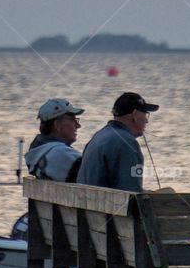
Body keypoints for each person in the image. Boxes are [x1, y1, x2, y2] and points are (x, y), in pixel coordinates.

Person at [9, 97, 84, 238]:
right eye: (74, 120)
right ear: (57, 124)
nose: (77, 126)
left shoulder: (37, 152)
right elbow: (96, 180)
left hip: (53, 222)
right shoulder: (62, 154)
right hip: (70, 230)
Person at [76, 91, 159, 192]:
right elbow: (131, 192)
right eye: (145, 114)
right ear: (135, 115)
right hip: (108, 206)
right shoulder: (127, 143)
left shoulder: (99, 136)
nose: (146, 121)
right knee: (169, 193)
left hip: (91, 205)